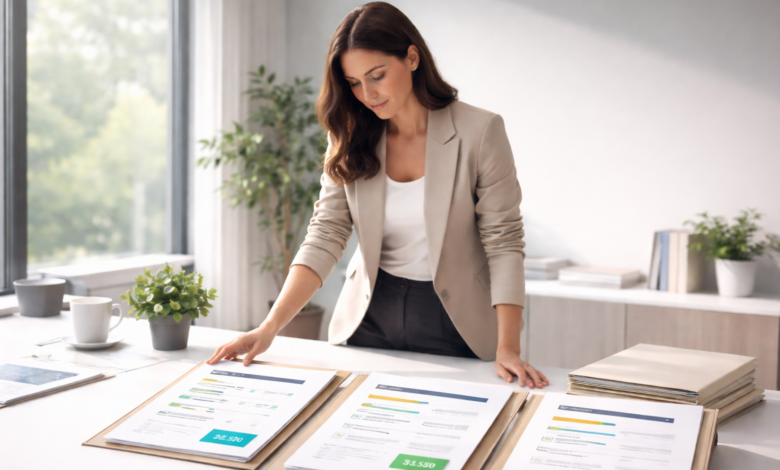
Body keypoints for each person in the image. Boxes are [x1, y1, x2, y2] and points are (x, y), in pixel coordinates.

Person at [208, 2, 548, 389]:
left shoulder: (480, 131)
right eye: (354, 82)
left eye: (377, 75)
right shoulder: (349, 134)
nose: (367, 93)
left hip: (453, 320)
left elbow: (503, 242)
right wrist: (269, 328)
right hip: (369, 315)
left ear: (412, 58)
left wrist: (508, 347)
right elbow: (326, 234)